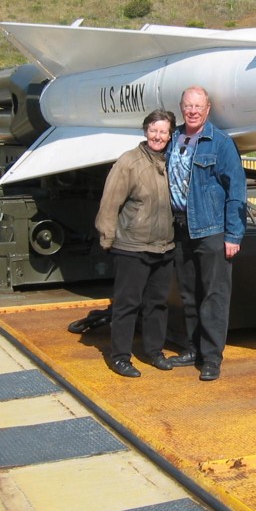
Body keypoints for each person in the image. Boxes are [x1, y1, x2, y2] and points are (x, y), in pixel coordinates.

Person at [166, 86, 247, 381]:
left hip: (211, 229)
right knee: (188, 292)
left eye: (198, 106)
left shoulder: (221, 143)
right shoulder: (174, 137)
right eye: (188, 106)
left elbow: (236, 190)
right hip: (180, 227)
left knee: (214, 295)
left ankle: (212, 357)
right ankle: (192, 348)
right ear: (181, 107)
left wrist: (233, 235)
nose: (193, 111)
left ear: (208, 108)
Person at [94, 109, 178, 378]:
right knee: (127, 304)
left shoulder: (171, 162)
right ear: (145, 131)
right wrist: (107, 236)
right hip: (132, 246)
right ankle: (120, 357)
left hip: (164, 245)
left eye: (163, 131)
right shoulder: (128, 163)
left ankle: (154, 351)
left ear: (170, 134)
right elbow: (110, 202)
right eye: (153, 130)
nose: (158, 136)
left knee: (157, 303)